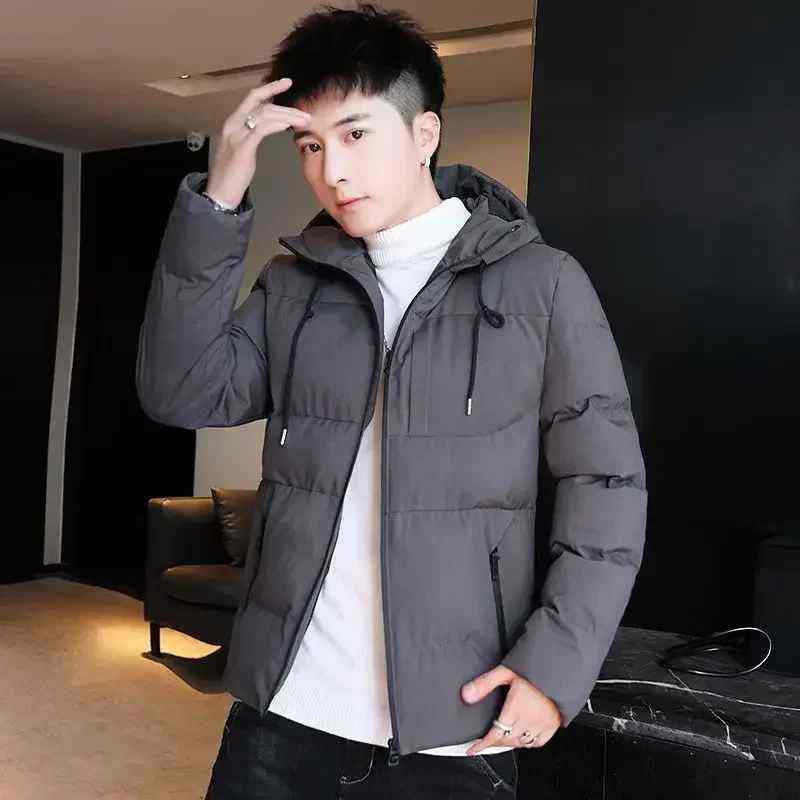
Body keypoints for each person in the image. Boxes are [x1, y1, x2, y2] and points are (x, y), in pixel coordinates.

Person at [136, 3, 648, 798]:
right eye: (310, 146)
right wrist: (222, 191)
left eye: (355, 135)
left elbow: (605, 484)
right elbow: (180, 390)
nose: (331, 171)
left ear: (424, 134)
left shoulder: (540, 284)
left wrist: (554, 667)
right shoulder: (297, 284)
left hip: (453, 728)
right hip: (282, 708)